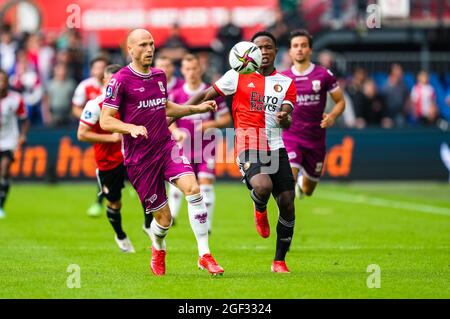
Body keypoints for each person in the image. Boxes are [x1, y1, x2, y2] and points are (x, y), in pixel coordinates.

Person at [100, 29, 224, 276]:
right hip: (139, 160)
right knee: (164, 220)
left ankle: (204, 254)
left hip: (166, 147)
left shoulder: (159, 75)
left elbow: (165, 106)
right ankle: (158, 247)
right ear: (130, 49)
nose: (149, 49)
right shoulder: (120, 80)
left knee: (194, 188)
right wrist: (130, 127)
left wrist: (195, 108)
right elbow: (106, 120)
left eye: (152, 44)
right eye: (143, 45)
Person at [186, 31, 297, 273]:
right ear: (250, 53)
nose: (264, 52)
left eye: (268, 47)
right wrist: (178, 111)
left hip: (276, 145)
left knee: (288, 203)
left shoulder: (286, 83)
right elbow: (206, 94)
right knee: (263, 186)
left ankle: (279, 261)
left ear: (276, 51)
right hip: (249, 142)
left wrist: (284, 116)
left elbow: (288, 119)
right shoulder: (237, 76)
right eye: (259, 48)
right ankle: (260, 209)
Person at [168, 54, 232, 233]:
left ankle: (208, 224)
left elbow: (226, 118)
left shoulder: (211, 93)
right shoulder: (176, 94)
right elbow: (168, 118)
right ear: (182, 71)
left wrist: (211, 124)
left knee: (205, 185)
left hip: (206, 148)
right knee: (178, 185)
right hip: (182, 147)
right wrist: (176, 131)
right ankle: (172, 216)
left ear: (201, 69)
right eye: (187, 69)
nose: (191, 72)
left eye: (194, 68)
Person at [77, 64, 135, 253]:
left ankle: (150, 227)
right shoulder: (95, 105)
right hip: (109, 161)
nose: (115, 85)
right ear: (104, 81)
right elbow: (82, 135)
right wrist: (110, 138)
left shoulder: (132, 102)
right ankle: (120, 235)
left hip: (134, 157)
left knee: (150, 194)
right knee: (115, 202)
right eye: (111, 81)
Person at [281, 29, 345, 199]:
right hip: (290, 137)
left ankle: (303, 185)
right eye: (295, 46)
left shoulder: (324, 75)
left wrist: (332, 116)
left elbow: (341, 102)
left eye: (303, 45)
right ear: (290, 51)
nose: (299, 49)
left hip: (315, 140)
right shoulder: (282, 78)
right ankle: (286, 223)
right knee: (288, 184)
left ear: (310, 50)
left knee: (309, 190)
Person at [72, 56, 109, 217]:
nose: (99, 70)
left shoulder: (113, 84)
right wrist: (90, 121)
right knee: (103, 166)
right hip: (97, 131)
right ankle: (100, 201)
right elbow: (76, 108)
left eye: (102, 67)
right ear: (92, 69)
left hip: (115, 129)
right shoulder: (85, 86)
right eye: (96, 67)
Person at [0, 70, 30, 218]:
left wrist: (23, 135)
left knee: (4, 169)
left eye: (2, 80)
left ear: (7, 82)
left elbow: (24, 119)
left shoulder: (16, 99)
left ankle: (1, 206)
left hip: (8, 139)